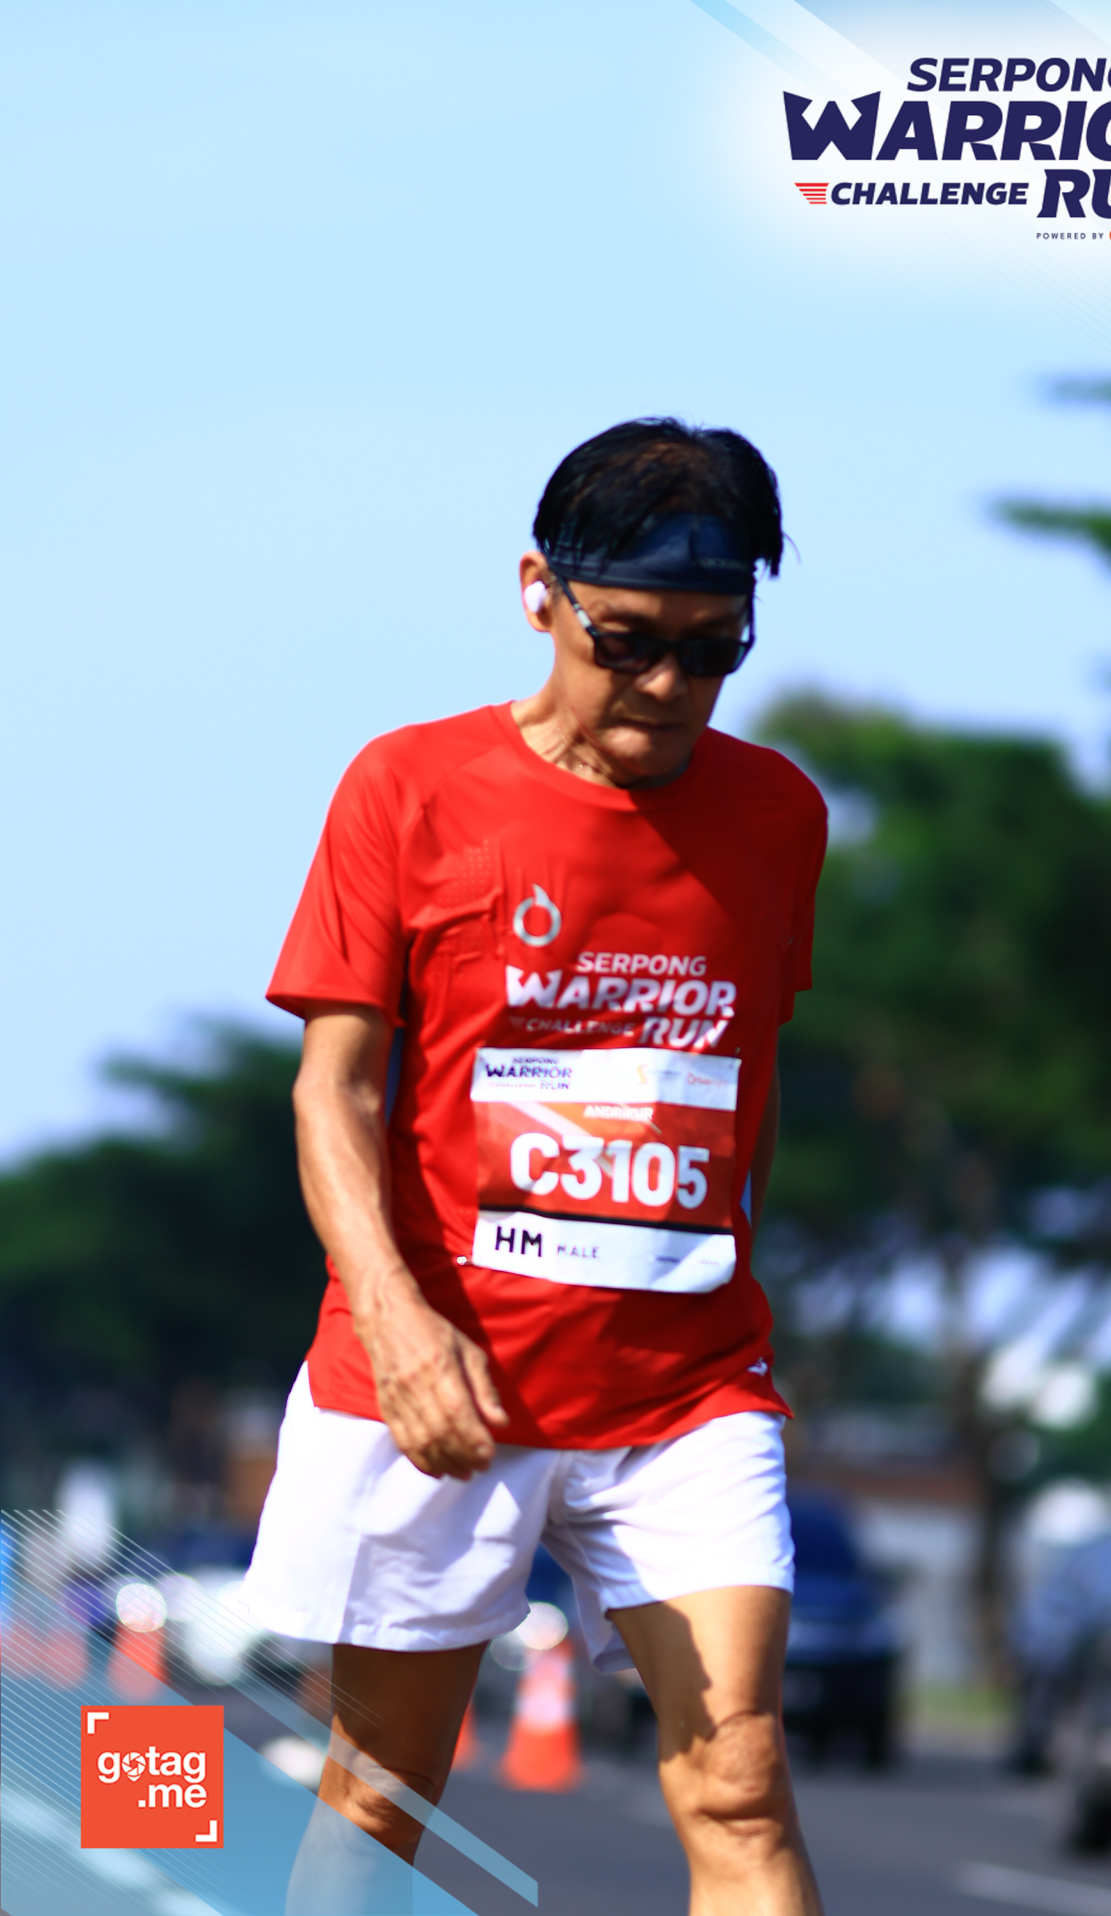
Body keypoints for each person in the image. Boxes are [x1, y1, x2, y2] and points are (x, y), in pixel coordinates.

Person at [243, 417, 828, 1915]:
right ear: (537, 594)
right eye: (626, 641)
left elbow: (737, 1095)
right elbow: (334, 1093)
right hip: (440, 1380)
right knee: (381, 1793)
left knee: (741, 1779)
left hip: (684, 1391)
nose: (667, 686)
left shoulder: (777, 814)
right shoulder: (409, 788)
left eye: (711, 649)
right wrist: (396, 1321)